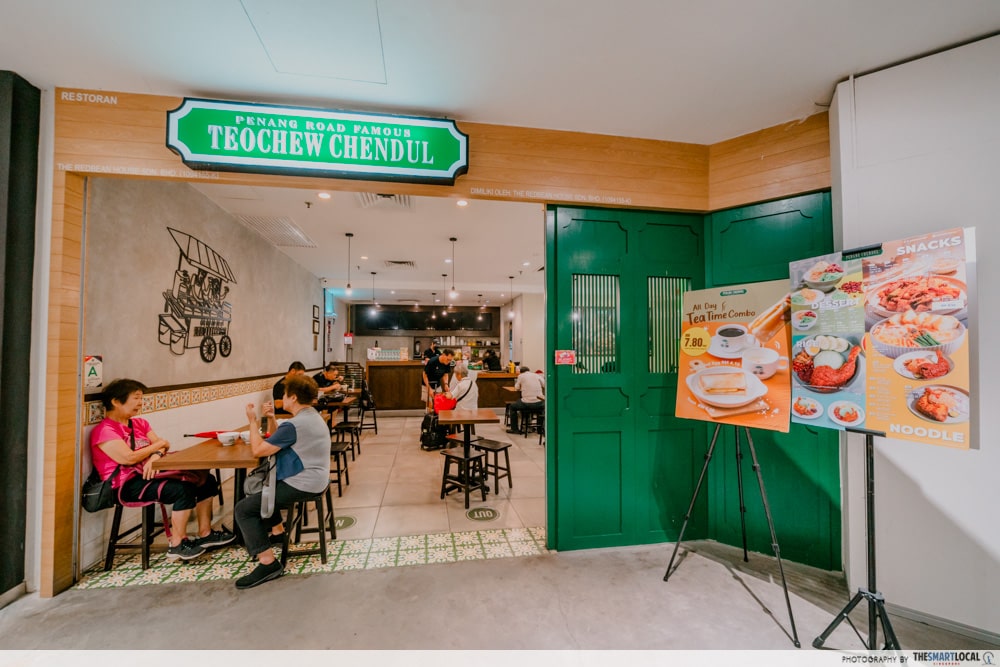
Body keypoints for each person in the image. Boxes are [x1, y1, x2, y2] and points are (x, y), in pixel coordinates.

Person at [89, 378, 235, 561]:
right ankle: (177, 545)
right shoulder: (105, 431)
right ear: (116, 401)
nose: (140, 403)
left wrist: (155, 456)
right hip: (126, 484)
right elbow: (128, 457)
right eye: (136, 398)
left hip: (149, 474)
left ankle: (205, 534)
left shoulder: (140, 423)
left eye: (141, 398)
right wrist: (155, 448)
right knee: (182, 490)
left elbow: (164, 445)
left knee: (206, 479)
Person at [234, 374, 331, 589]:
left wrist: (252, 421)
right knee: (266, 491)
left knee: (243, 509)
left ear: (293, 398)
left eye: (284, 396)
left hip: (304, 482)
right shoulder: (310, 416)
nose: (282, 399)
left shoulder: (296, 424)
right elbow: (282, 439)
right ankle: (277, 533)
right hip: (317, 478)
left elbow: (259, 449)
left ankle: (268, 562)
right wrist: (271, 417)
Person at [508, 366, 545, 434]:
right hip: (539, 403)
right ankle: (540, 429)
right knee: (541, 409)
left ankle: (515, 429)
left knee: (513, 406)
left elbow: (516, 388)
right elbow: (544, 385)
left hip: (526, 403)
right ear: (529, 370)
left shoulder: (521, 376)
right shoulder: (536, 375)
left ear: (521, 372)